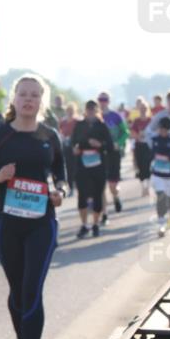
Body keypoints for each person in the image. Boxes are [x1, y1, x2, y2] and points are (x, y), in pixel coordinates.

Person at [0, 73, 66, 339]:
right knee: (17, 290)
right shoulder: (0, 135)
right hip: (6, 223)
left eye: (35, 95)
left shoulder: (49, 136)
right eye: (24, 94)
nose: (29, 99)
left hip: (42, 222)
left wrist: (61, 193)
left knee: (32, 288)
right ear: (14, 99)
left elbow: (62, 175)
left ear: (42, 101)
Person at [70, 101, 112, 239]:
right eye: (88, 110)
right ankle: (84, 225)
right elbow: (73, 142)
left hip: (98, 165)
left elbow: (110, 146)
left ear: (97, 111)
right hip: (82, 165)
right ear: (85, 111)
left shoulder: (102, 126)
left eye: (93, 110)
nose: (90, 112)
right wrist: (75, 149)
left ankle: (95, 224)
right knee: (81, 195)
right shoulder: (80, 125)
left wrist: (100, 145)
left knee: (97, 194)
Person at [97, 92, 129, 218]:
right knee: (101, 185)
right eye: (100, 99)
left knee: (112, 185)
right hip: (100, 154)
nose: (102, 102)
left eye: (105, 99)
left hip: (113, 153)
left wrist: (118, 143)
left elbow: (126, 132)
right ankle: (104, 213)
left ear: (109, 101)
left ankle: (116, 197)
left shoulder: (115, 116)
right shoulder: (96, 117)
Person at [130, 97, 154, 197]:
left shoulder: (151, 120)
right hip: (139, 145)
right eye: (141, 108)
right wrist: (138, 135)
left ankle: (147, 186)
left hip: (148, 146)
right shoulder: (136, 121)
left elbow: (155, 132)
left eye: (145, 108)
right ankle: (143, 185)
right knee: (140, 166)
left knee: (148, 165)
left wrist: (147, 135)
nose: (143, 109)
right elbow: (132, 133)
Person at [58, 103, 80, 197]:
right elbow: (59, 132)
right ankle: (70, 188)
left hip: (75, 147)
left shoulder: (77, 121)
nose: (70, 113)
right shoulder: (63, 121)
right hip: (66, 146)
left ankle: (77, 185)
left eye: (72, 111)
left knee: (76, 167)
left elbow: (80, 133)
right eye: (68, 111)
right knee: (68, 168)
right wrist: (62, 137)